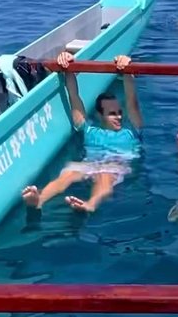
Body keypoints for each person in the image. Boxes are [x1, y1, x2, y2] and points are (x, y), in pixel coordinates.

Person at [21, 50, 143, 214]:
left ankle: (90, 203)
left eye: (120, 112)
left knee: (104, 177)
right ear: (101, 115)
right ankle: (40, 199)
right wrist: (68, 65)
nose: (119, 117)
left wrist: (127, 71)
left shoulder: (131, 132)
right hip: (89, 164)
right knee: (67, 175)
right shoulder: (90, 131)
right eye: (112, 114)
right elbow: (74, 96)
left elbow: (132, 102)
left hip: (114, 165)